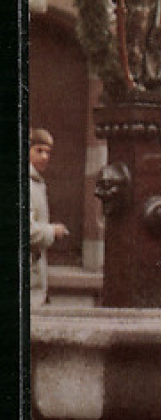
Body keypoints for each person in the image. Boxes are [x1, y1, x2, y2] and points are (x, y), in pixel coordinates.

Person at [29, 128, 69, 308]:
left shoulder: (36, 182)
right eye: (39, 150)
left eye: (47, 152)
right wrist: (53, 231)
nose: (44, 157)